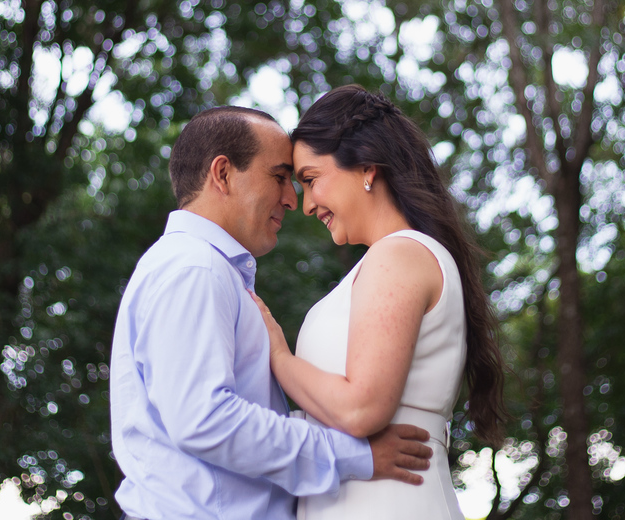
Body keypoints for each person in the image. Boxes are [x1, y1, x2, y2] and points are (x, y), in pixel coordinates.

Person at [109, 105, 435, 520]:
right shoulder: (194, 268)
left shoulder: (203, 269)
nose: (292, 200)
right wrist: (353, 456)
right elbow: (204, 419)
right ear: (222, 174)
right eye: (280, 177)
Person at [252, 85, 507, 519]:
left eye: (311, 180)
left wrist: (278, 353)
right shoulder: (388, 260)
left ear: (367, 166)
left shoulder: (398, 255)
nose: (306, 204)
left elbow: (360, 408)